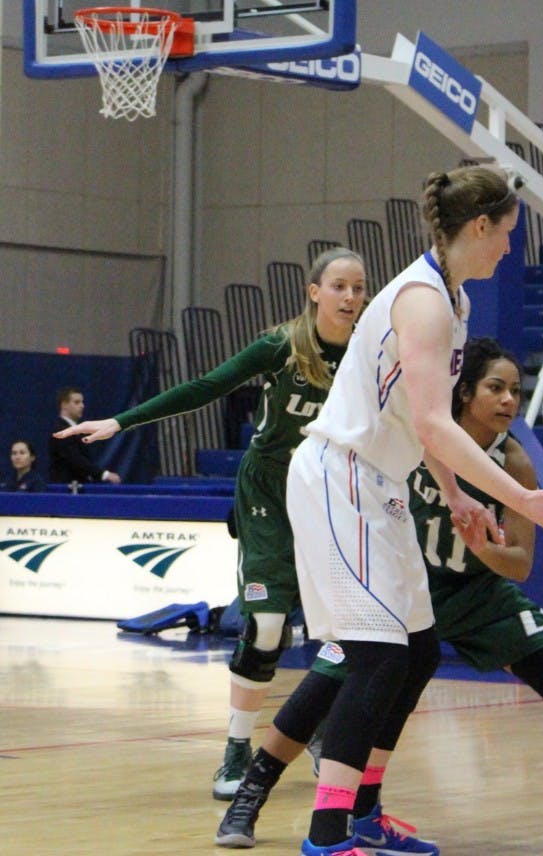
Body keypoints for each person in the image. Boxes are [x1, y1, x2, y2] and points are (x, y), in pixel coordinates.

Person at [215, 337, 543, 850]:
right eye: (496, 388)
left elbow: (522, 565)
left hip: (478, 592)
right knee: (330, 677)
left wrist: (480, 545)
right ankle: (251, 795)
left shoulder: (514, 461)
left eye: (515, 391)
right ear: (464, 393)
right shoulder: (423, 440)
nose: (509, 400)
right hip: (406, 583)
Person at [284, 166, 543, 856]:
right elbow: (436, 423)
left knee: (416, 650)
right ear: (479, 227)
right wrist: (516, 495)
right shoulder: (423, 302)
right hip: (340, 474)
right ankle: (326, 837)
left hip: (382, 480)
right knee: (378, 659)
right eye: (507, 234)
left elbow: (425, 427)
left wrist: (452, 495)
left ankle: (362, 815)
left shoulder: (453, 302)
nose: (509, 248)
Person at [52, 249, 367, 800]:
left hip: (331, 494)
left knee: (338, 633)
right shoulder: (280, 346)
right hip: (270, 488)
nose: (350, 297)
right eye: (339, 286)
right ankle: (236, 747)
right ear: (314, 291)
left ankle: (317, 729)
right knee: (267, 626)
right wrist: (121, 421)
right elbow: (205, 387)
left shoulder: (371, 349)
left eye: (358, 288)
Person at [49, 387, 121, 484]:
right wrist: (103, 474)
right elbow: (75, 459)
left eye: (82, 402)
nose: (82, 406)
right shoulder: (61, 430)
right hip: (66, 487)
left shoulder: (76, 429)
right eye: (77, 402)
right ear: (64, 405)